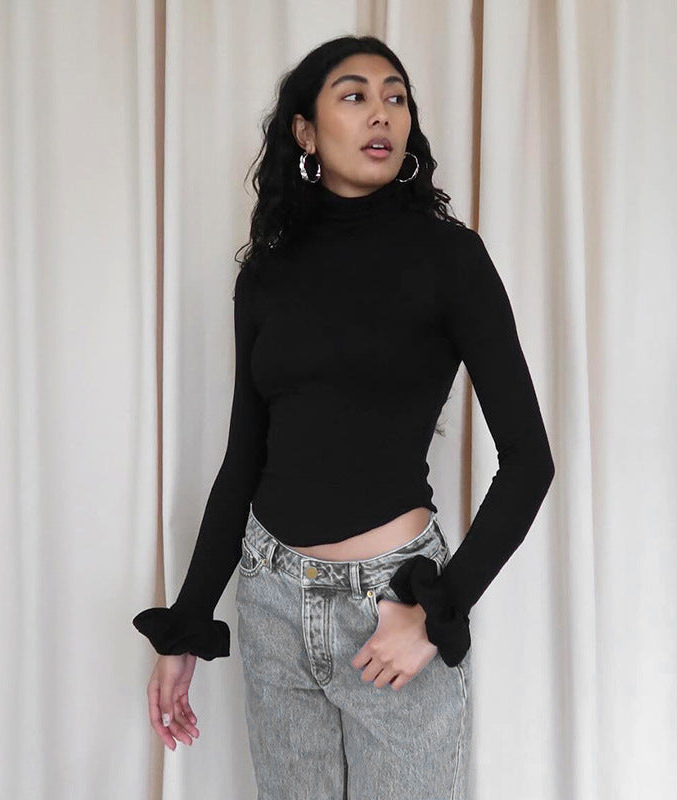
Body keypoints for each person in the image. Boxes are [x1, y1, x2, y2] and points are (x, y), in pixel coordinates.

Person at [133, 34, 555, 800]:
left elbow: (530, 462)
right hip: (270, 599)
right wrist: (187, 626)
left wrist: (434, 613)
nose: (381, 113)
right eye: (354, 95)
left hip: (390, 606)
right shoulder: (267, 274)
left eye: (396, 96)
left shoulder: (450, 259)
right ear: (305, 130)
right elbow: (244, 459)